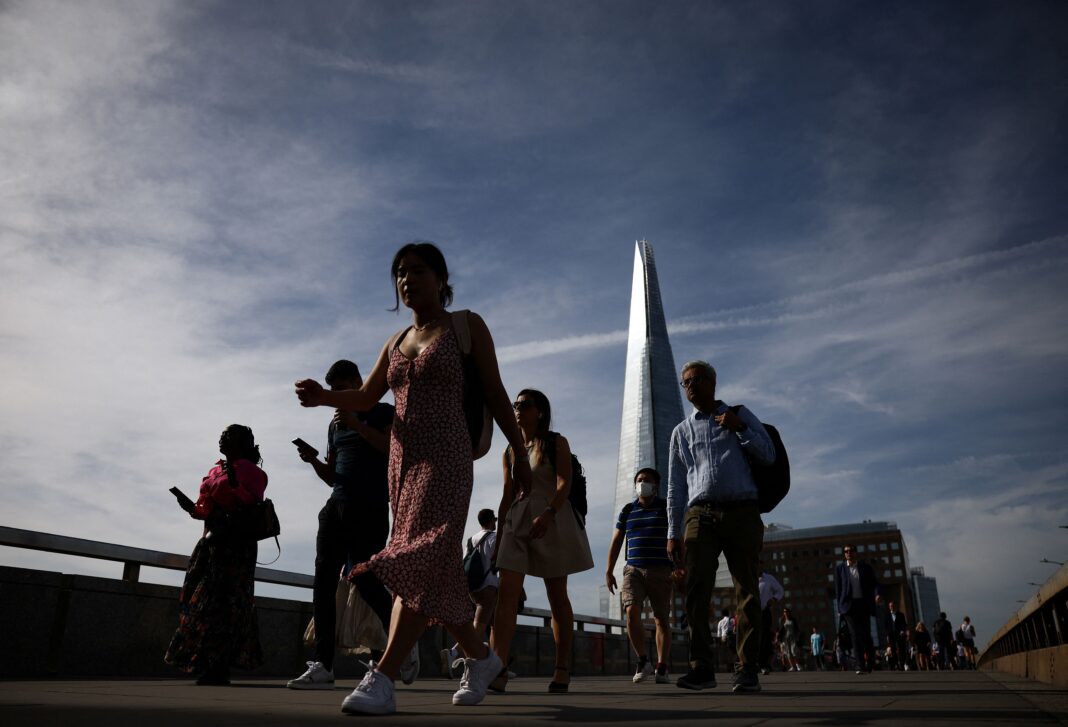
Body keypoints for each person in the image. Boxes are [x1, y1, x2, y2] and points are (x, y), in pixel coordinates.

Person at [295, 241, 532, 715]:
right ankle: (482, 658)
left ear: (441, 279)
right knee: (434, 570)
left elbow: (494, 390)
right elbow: (367, 396)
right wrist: (324, 397)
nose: (407, 279)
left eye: (418, 270)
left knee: (420, 558)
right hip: (402, 466)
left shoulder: (466, 326)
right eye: (400, 273)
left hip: (448, 459)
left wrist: (520, 453)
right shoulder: (395, 342)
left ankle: (383, 677)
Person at [288, 359, 401, 690]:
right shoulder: (334, 425)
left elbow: (393, 452)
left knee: (364, 579)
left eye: (341, 389)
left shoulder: (383, 413)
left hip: (370, 506)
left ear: (358, 383)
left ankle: (401, 643)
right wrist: (313, 461)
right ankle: (323, 665)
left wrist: (357, 423)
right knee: (323, 582)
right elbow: (332, 475)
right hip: (336, 506)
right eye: (333, 391)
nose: (337, 396)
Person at [666, 360, 775, 694]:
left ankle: (747, 669)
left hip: (742, 511)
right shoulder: (681, 432)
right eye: (685, 382)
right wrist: (672, 532)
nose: (690, 386)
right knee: (696, 589)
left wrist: (740, 428)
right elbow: (675, 486)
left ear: (712, 382)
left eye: (696, 380)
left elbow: (768, 454)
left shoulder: (739, 414)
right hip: (700, 514)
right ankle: (701, 668)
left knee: (747, 590)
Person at [491, 388, 594, 694]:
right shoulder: (510, 451)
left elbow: (564, 484)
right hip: (517, 520)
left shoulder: (555, 442)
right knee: (506, 595)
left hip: (551, 518)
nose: (517, 409)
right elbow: (507, 494)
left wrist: (548, 513)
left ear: (541, 412)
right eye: (515, 404)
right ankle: (498, 667)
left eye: (525, 405)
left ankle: (561, 667)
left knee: (556, 595)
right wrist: (499, 536)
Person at [165, 424, 267, 685]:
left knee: (224, 601)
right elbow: (204, 510)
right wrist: (190, 507)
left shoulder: (253, 472)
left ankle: (218, 666)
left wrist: (235, 485)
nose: (222, 438)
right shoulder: (215, 470)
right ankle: (206, 662)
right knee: (200, 597)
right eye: (222, 435)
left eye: (229, 436)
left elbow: (252, 505)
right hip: (211, 540)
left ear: (243, 443)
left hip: (236, 543)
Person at [606, 467, 673, 684]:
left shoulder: (666, 508)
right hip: (633, 569)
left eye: (647, 480)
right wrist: (609, 570)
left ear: (656, 486)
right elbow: (617, 540)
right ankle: (643, 661)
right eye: (639, 480)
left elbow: (677, 537)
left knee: (661, 619)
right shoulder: (628, 510)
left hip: (661, 570)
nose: (642, 483)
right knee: (631, 612)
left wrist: (680, 567)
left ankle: (662, 666)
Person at [441, 508, 501, 674]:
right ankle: (453, 653)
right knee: (479, 627)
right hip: (488, 586)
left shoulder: (471, 539)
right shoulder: (495, 538)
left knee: (494, 625)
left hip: (472, 587)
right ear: (492, 520)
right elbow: (499, 562)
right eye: (495, 520)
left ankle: (497, 666)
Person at [834, 545, 881, 674]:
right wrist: (840, 608)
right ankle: (859, 665)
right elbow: (838, 590)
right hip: (849, 606)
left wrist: (877, 594)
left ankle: (870, 661)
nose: (848, 553)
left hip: (863, 604)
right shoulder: (840, 569)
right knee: (854, 635)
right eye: (846, 551)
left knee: (866, 634)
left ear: (855, 552)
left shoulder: (865, 567)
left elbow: (875, 583)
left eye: (850, 551)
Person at [757, 565, 784, 675]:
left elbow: (780, 590)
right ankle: (752, 664)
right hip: (751, 613)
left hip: (764, 612)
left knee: (764, 638)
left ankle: (763, 664)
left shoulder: (768, 578)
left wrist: (774, 599)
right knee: (753, 637)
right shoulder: (748, 578)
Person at [884, 601, 908, 672]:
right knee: (893, 649)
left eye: (892, 606)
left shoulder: (901, 614)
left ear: (895, 606)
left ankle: (902, 664)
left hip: (899, 634)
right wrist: (887, 635)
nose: (892, 607)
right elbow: (886, 626)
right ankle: (896, 664)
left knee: (901, 649)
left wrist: (903, 630)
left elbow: (904, 624)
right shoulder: (887, 616)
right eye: (890, 606)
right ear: (889, 607)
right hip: (891, 635)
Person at [780, 607, 801, 671]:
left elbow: (797, 629)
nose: (785, 613)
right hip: (785, 638)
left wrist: (797, 637)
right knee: (788, 652)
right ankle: (792, 666)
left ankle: (797, 665)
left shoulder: (793, 619)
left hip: (793, 637)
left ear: (789, 612)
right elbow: (780, 630)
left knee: (793, 651)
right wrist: (779, 638)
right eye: (784, 612)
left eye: (786, 611)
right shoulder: (782, 620)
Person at [716, 609, 736, 673]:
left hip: (723, 638)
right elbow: (735, 628)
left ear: (722, 614)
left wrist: (719, 642)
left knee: (725, 652)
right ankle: (731, 666)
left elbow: (719, 634)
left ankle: (727, 666)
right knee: (732, 652)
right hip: (731, 637)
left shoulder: (720, 622)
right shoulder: (732, 620)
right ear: (728, 613)